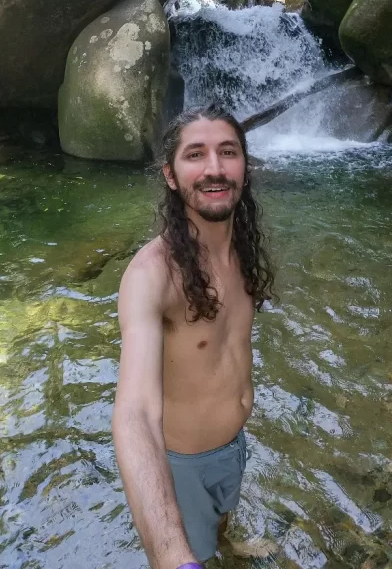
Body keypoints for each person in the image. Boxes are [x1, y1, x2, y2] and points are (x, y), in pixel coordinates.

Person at [111, 104, 276, 568]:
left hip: (233, 444)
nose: (215, 168)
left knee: (222, 521)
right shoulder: (152, 276)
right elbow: (136, 414)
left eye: (228, 152)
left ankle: (225, 543)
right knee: (193, 553)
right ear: (170, 175)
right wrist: (171, 558)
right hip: (182, 466)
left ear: (245, 165)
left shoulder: (242, 246)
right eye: (195, 155)